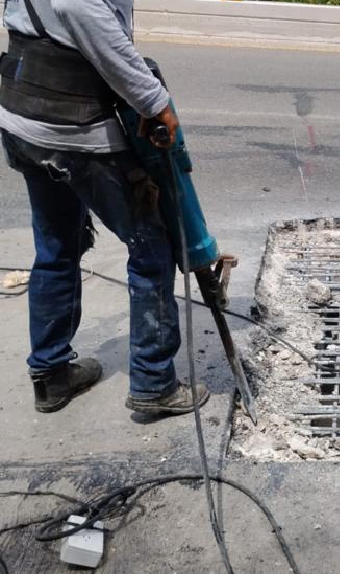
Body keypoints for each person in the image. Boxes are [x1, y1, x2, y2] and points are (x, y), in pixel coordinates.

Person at [0, 0, 209, 415]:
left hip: (25, 121)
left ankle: (51, 374)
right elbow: (80, 13)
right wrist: (157, 105)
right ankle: (154, 383)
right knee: (151, 250)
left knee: (58, 245)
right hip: (76, 132)